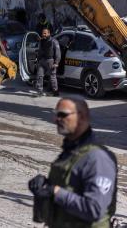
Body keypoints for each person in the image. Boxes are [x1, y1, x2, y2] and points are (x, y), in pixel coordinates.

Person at [28, 97, 116, 227]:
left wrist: (56, 192)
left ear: (82, 117)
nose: (56, 119)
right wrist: (45, 187)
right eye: (56, 114)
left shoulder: (97, 158)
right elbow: (70, 188)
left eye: (63, 114)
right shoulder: (71, 153)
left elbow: (95, 209)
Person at [35, 26, 61, 97]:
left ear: (49, 33)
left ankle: (55, 92)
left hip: (50, 61)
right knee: (39, 76)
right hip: (42, 61)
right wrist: (38, 60)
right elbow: (39, 51)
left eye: (45, 33)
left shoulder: (54, 41)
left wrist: (56, 63)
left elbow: (58, 53)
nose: (43, 35)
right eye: (43, 33)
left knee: (52, 77)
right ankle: (39, 91)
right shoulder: (41, 41)